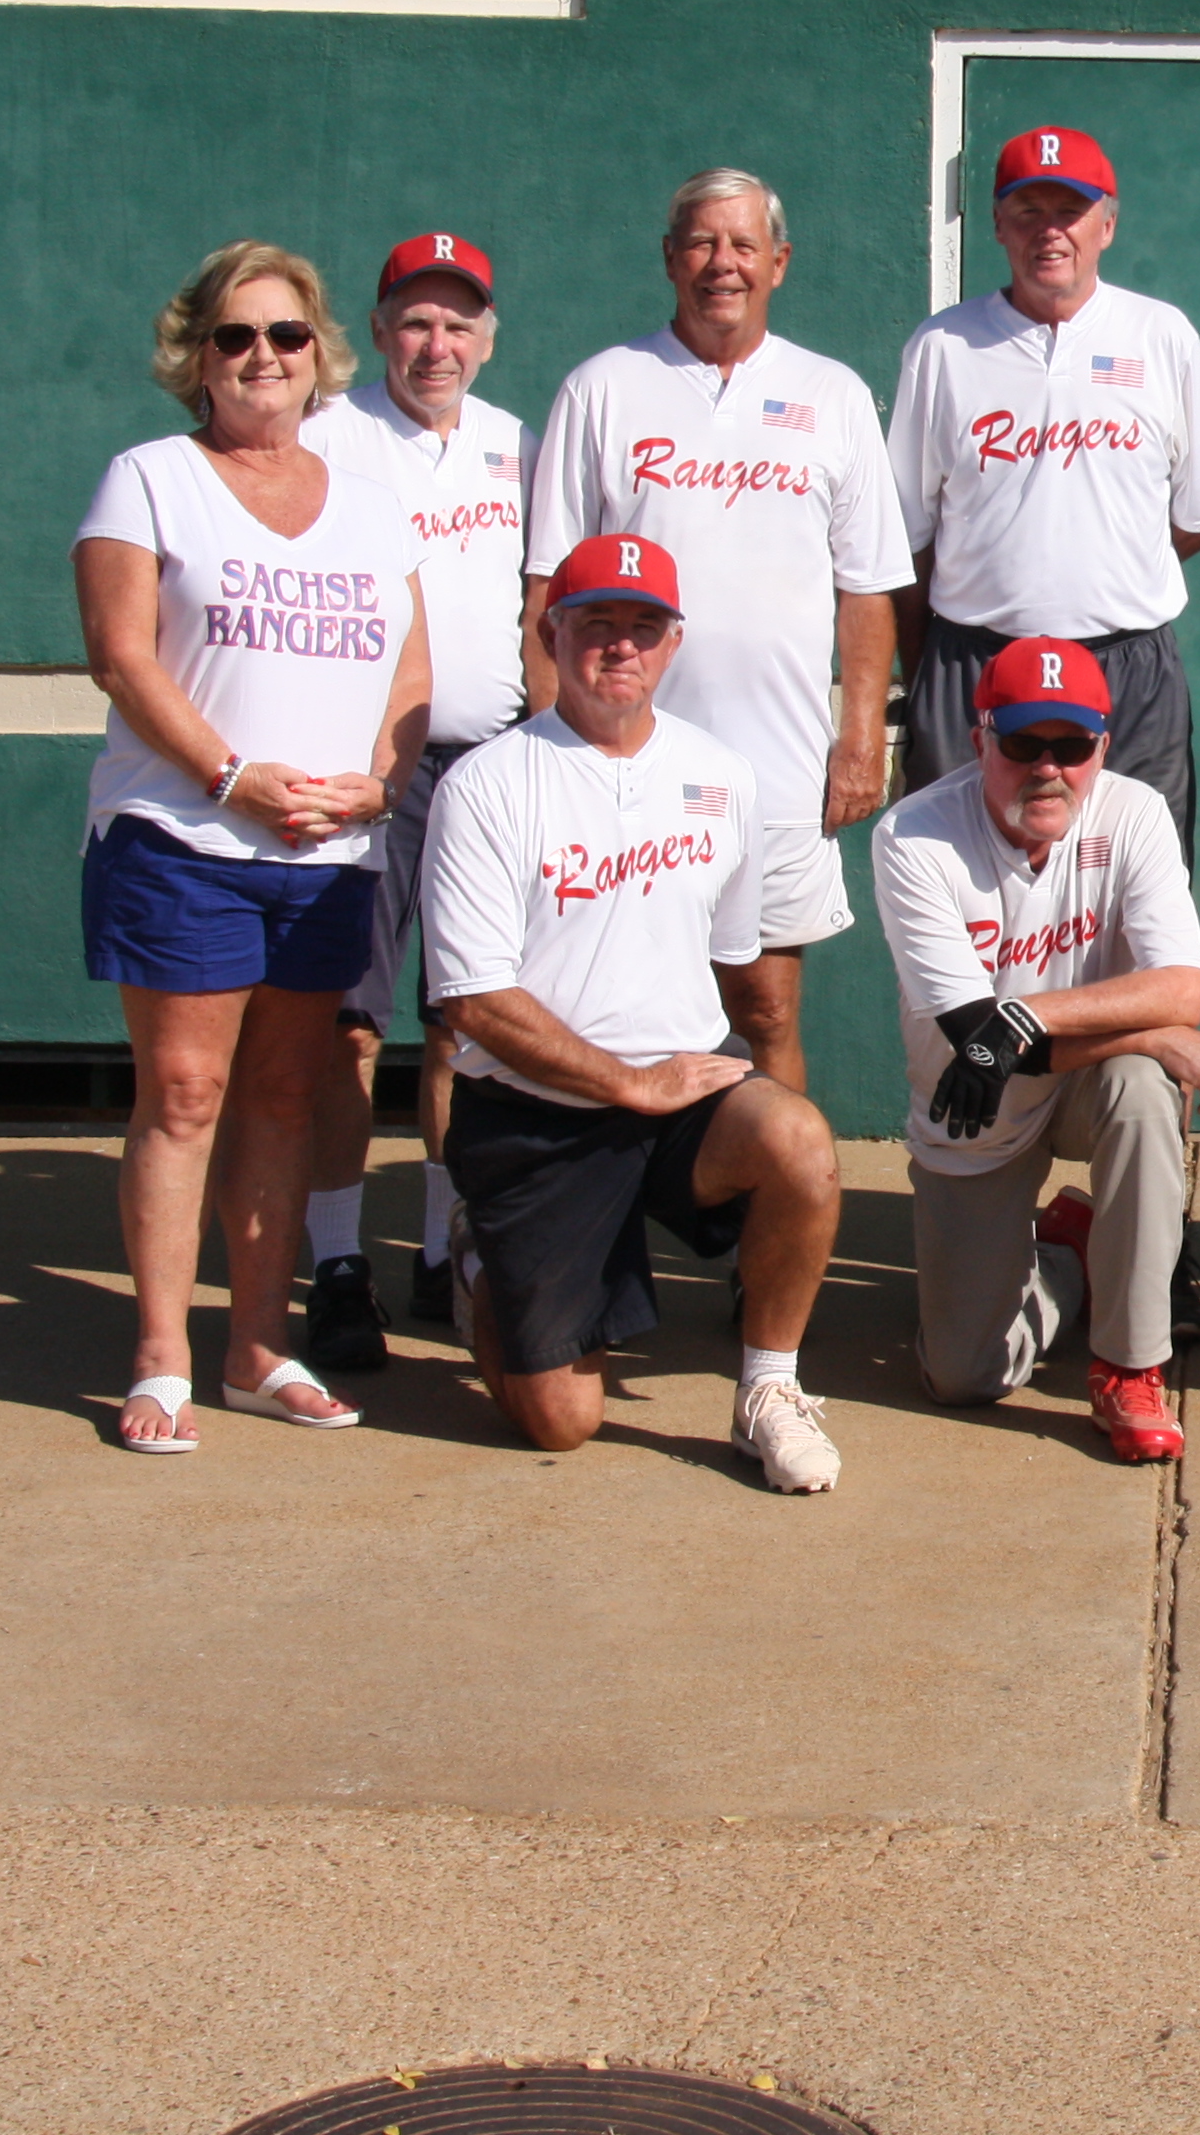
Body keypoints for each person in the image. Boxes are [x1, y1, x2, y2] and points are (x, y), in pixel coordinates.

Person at [71, 242, 429, 1455]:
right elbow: (123, 655)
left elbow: (411, 672)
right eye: (235, 337)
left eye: (284, 335)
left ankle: (256, 1349)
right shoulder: (149, 479)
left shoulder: (374, 507)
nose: (262, 358)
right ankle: (163, 1357)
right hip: (183, 837)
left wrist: (375, 788)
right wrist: (232, 776)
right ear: (196, 356)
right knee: (184, 1094)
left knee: (285, 1093)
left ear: (319, 351)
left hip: (325, 856)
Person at [422, 535, 850, 1493]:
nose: (621, 647)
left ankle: (769, 1394)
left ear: (673, 643)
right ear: (551, 633)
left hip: (678, 1103)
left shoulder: (722, 777)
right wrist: (625, 1081)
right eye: (597, 625)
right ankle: (481, 1258)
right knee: (559, 1425)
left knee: (801, 1146)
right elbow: (476, 1001)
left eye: (643, 628)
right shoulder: (487, 784)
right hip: (536, 1119)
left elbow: (734, 965)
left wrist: (682, 1086)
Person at [520, 167, 909, 1095]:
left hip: (779, 769)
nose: (721, 264)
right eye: (701, 242)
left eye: (742, 245)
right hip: (620, 766)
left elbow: (867, 589)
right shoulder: (603, 388)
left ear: (779, 262)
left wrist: (859, 737)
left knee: (766, 1010)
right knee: (598, 1005)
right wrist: (550, 748)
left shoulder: (835, 394)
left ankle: (765, 1227)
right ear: (668, 259)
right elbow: (547, 586)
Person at [871, 636, 1200, 1466]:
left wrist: (1035, 1019)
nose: (1049, 768)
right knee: (966, 1378)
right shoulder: (914, 835)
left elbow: (1183, 986)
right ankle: (1069, 1253)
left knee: (1143, 1088)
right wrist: (1153, 1031)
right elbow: (979, 1043)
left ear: (1101, 749)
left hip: (1084, 1086)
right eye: (1023, 744)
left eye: (1071, 747)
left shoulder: (1133, 812)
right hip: (971, 1106)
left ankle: (1130, 1365)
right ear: (981, 743)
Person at [296, 232, 534, 1369]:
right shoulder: (329, 434)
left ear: (488, 338)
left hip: (487, 768)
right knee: (345, 1024)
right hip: (363, 769)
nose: (436, 345)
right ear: (381, 330)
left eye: (458, 324)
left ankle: (447, 1248)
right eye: (416, 321)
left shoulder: (515, 447)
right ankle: (337, 1265)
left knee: (463, 1022)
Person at [889, 125, 1200, 844]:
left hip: (1127, 665)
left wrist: (1112, 565)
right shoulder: (943, 347)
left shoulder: (1160, 335)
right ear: (996, 224)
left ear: (1107, 224)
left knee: (1139, 891)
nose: (1050, 232)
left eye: (1069, 211)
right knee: (961, 882)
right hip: (975, 658)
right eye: (1028, 211)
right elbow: (906, 535)